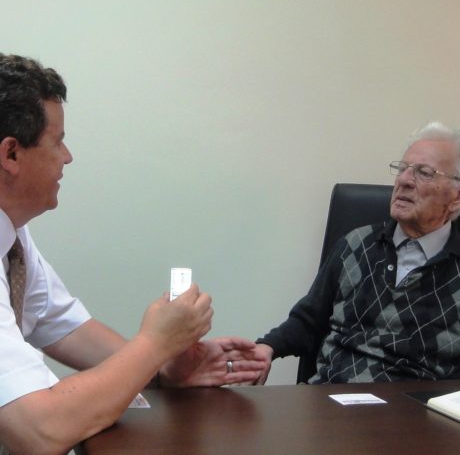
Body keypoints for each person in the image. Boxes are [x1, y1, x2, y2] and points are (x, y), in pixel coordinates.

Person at [0, 54, 266, 454]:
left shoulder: (13, 234)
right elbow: (41, 430)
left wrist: (164, 367)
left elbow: (62, 324)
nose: (68, 156)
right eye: (57, 141)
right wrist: (155, 343)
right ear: (11, 154)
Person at [253, 121, 460, 384]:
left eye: (424, 172)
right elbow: (308, 321)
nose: (405, 180)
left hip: (414, 415)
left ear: (459, 194)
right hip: (327, 402)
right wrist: (266, 348)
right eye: (403, 169)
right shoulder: (356, 244)